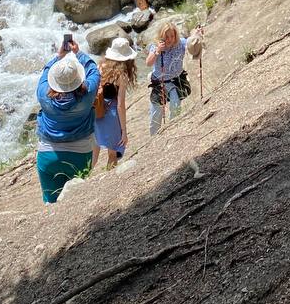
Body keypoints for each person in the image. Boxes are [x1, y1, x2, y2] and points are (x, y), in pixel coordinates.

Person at [35, 39, 100, 204]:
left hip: (47, 154)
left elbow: (45, 72)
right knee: (78, 201)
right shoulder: (88, 94)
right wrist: (78, 52)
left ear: (54, 80)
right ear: (78, 78)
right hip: (81, 154)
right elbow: (94, 70)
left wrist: (59, 56)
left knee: (50, 203)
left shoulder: (43, 94)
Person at [145, 22, 203, 135]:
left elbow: (191, 42)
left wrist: (197, 34)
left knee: (175, 106)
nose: (170, 39)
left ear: (175, 35)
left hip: (176, 80)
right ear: (161, 36)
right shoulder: (156, 47)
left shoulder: (181, 43)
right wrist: (157, 51)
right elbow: (148, 63)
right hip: (160, 82)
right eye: (166, 37)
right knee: (156, 112)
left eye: (172, 36)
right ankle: (154, 137)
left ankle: (172, 131)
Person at [92, 36, 138, 169]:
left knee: (94, 152)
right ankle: (109, 177)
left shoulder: (99, 66)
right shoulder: (121, 76)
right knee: (112, 153)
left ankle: (84, 178)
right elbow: (120, 105)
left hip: (96, 111)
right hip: (110, 115)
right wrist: (124, 131)